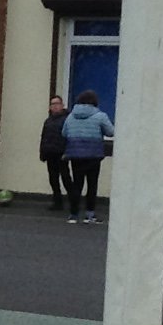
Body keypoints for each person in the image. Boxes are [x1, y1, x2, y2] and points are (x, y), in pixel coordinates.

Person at [61, 88, 114, 224]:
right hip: (93, 155)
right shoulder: (100, 115)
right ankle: (90, 214)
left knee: (77, 185)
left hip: (75, 155)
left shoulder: (71, 116)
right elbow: (110, 132)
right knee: (92, 185)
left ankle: (73, 214)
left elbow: (64, 133)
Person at [38, 94, 71, 212]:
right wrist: (42, 153)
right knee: (53, 179)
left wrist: (67, 152)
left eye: (57, 104)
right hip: (50, 153)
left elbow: (69, 137)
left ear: (62, 105)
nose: (55, 106)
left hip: (61, 153)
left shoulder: (67, 119)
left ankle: (73, 201)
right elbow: (44, 137)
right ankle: (57, 202)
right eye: (53, 104)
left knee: (66, 177)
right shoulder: (48, 121)